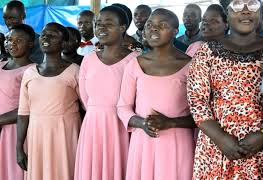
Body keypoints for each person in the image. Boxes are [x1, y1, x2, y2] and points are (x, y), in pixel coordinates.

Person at [187, 0, 263, 179]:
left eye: (252, 5)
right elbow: (197, 100)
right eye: (238, 5)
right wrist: (221, 138)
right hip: (216, 146)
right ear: (227, 14)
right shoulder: (206, 52)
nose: (245, 11)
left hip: (260, 145)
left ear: (260, 13)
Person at [117, 8, 196, 180]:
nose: (154, 29)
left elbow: (200, 114)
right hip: (143, 140)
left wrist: (171, 123)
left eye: (162, 25)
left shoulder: (190, 66)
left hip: (177, 142)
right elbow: (123, 107)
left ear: (176, 31)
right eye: (150, 25)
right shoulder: (134, 64)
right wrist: (143, 123)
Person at [74, 6, 139, 180]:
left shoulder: (135, 60)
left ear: (122, 27)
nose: (101, 28)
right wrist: (98, 112)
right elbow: (85, 97)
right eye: (98, 23)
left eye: (108, 23)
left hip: (122, 125)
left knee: (119, 167)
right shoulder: (88, 60)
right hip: (93, 123)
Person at [16, 22, 81, 180]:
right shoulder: (30, 73)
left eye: (52, 35)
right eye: (44, 34)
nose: (46, 37)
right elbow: (23, 113)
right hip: (37, 134)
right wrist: (19, 147)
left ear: (63, 43)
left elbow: (87, 106)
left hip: (65, 133)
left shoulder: (74, 71)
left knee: (65, 171)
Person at [0, 24, 34, 180]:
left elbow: (28, 107)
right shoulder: (1, 64)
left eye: (18, 40)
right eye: (8, 39)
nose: (11, 43)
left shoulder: (33, 70)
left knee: (14, 172)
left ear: (31, 44)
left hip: (15, 129)